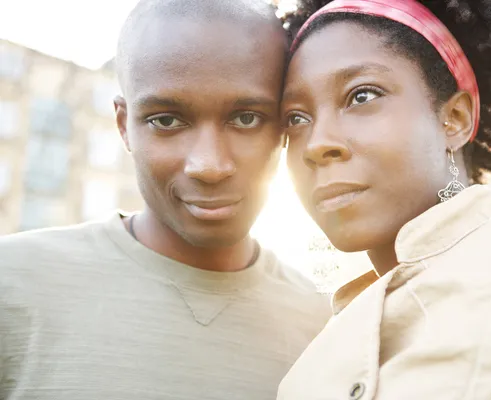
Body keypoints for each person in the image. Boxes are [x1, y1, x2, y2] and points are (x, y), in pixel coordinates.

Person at [0, 0, 330, 399]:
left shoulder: (328, 328)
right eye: (167, 120)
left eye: (246, 118)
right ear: (124, 126)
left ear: (284, 126)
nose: (209, 166)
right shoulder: (12, 283)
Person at [276, 0, 491, 399]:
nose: (316, 143)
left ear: (455, 119)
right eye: (295, 118)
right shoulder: (302, 375)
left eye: (361, 96)